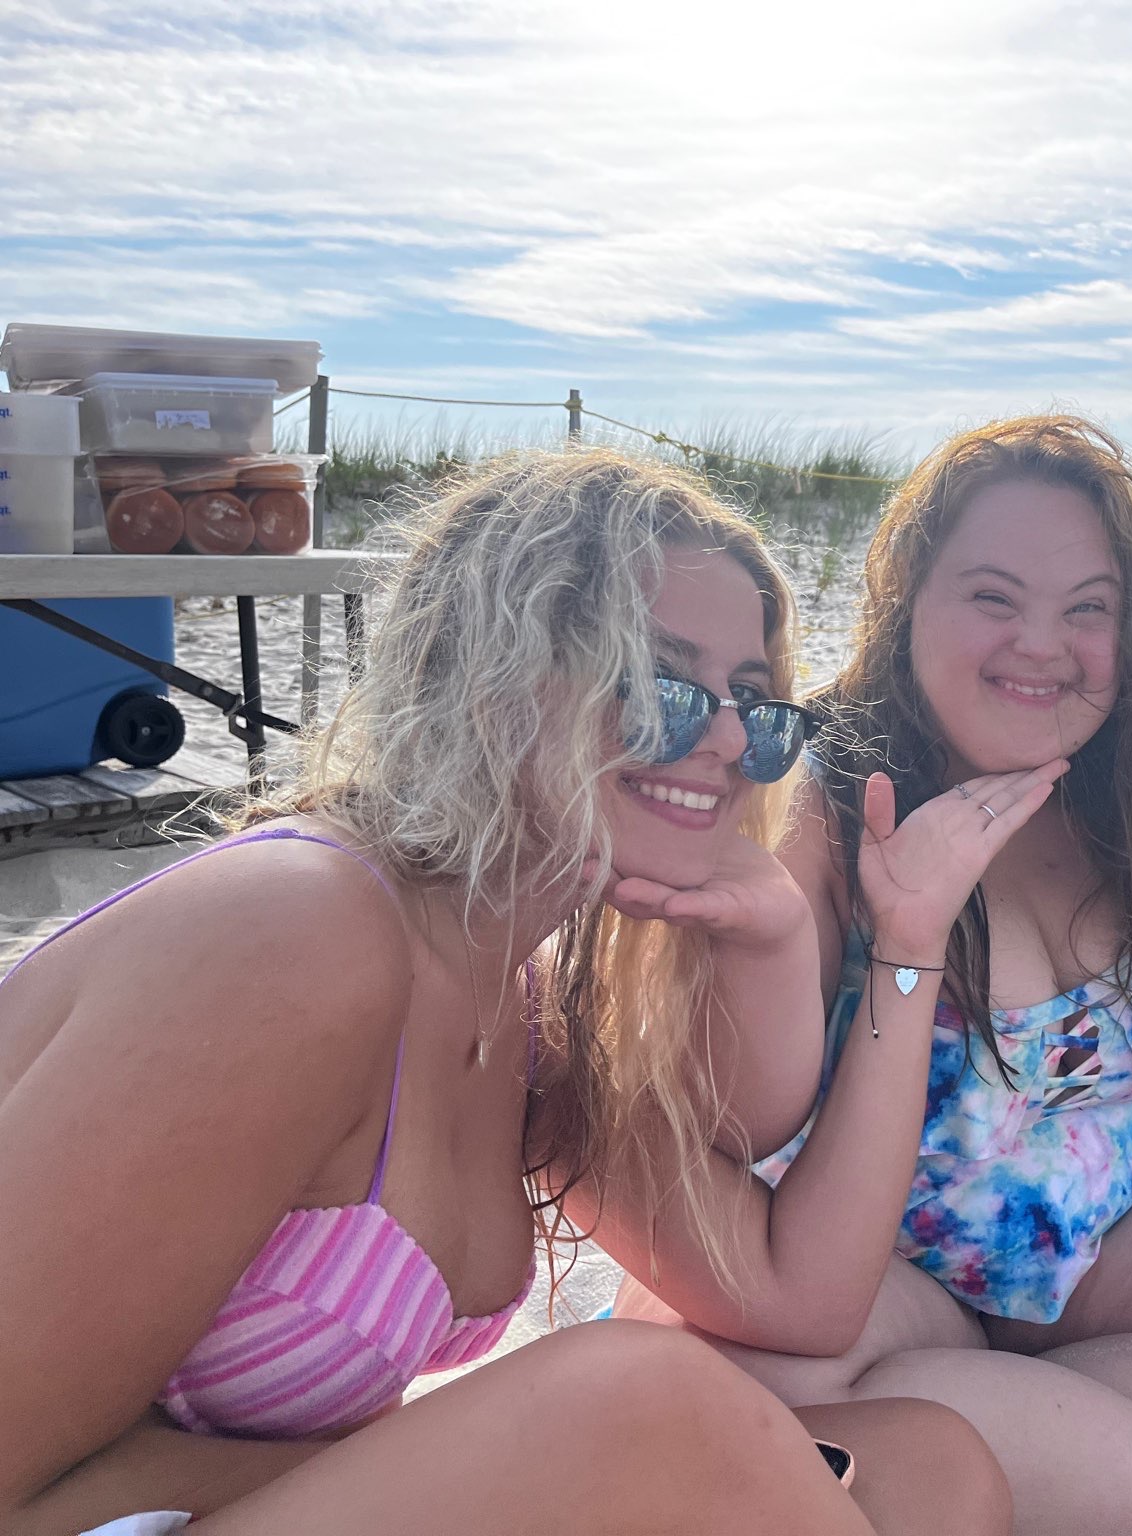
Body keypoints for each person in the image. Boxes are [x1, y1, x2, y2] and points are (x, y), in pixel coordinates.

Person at [0, 451, 1011, 1536]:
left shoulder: (515, 1005)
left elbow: (798, 1293)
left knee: (930, 1470)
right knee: (647, 1408)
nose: (725, 740)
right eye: (655, 686)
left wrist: (891, 946)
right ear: (492, 679)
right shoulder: (294, 932)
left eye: (755, 708)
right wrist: (556, 1465)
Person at [615, 415, 1132, 1536]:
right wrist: (790, 942)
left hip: (1102, 1224)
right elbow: (739, 1113)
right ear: (907, 603)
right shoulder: (830, 793)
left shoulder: (1121, 788)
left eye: (1087, 609)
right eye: (993, 597)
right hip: (880, 1266)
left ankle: (1003, 1437)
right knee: (752, 1378)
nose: (1040, 645)